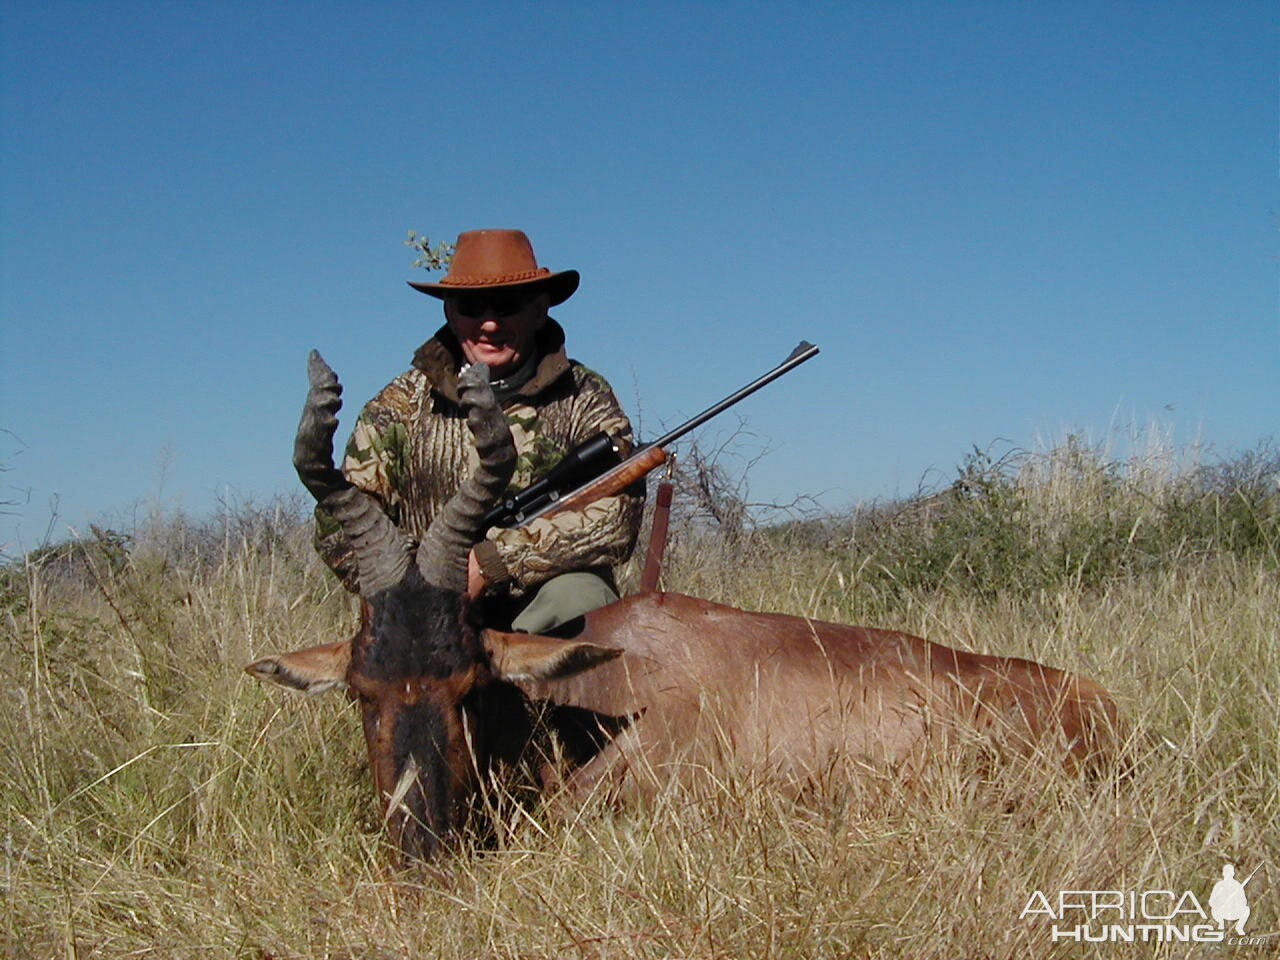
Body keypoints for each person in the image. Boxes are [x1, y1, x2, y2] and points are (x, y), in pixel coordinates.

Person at [315, 228, 643, 633]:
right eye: (472, 306)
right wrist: (424, 580)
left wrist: (492, 563)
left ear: (539, 309)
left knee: (583, 596)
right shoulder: (397, 404)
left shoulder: (585, 395)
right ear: (450, 313)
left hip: (539, 604)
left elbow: (616, 519)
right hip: (428, 611)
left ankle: (555, 699)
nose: (489, 323)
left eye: (507, 305)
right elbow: (341, 525)